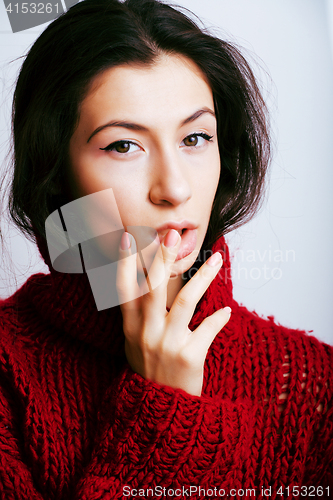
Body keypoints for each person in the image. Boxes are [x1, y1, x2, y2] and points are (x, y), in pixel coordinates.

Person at [0, 0, 332, 498]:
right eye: (123, 146)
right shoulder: (7, 371)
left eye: (195, 138)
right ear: (55, 173)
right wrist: (165, 408)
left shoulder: (311, 384)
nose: (174, 188)